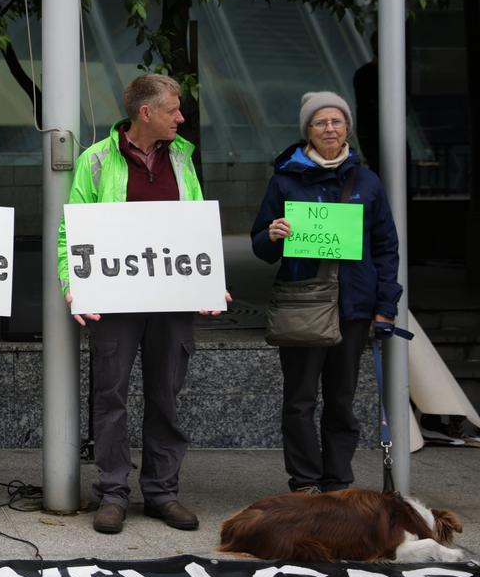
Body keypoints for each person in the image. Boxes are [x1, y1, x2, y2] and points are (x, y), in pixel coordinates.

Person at [57, 73, 222, 535]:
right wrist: (72, 282)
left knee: (165, 394)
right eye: (173, 109)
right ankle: (113, 493)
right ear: (146, 113)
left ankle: (162, 492)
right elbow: (73, 227)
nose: (181, 117)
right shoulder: (96, 160)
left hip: (171, 300)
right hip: (114, 300)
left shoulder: (183, 158)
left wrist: (210, 281)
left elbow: (195, 225)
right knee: (110, 398)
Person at [250, 91, 401, 494]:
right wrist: (273, 234)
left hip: (354, 307)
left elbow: (386, 247)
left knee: (342, 400)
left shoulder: (367, 181)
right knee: (299, 401)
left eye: (336, 121)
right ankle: (304, 482)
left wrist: (386, 305)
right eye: (320, 123)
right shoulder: (285, 179)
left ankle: (338, 482)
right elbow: (260, 246)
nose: (330, 128)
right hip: (304, 303)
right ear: (308, 132)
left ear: (348, 127)